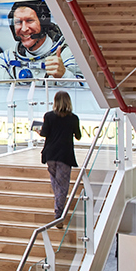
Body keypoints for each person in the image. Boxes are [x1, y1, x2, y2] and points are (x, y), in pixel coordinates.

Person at [0, 0, 83, 86]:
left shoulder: (67, 56)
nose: (24, 29)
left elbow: (85, 92)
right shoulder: (6, 60)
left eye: (29, 20)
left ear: (43, 23)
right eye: (18, 22)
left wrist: (64, 75)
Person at [39, 91, 82, 225]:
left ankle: (59, 213)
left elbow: (44, 133)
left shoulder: (49, 116)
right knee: (62, 186)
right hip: (65, 155)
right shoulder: (73, 118)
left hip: (50, 154)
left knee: (56, 184)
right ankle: (59, 215)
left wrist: (38, 130)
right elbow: (78, 136)